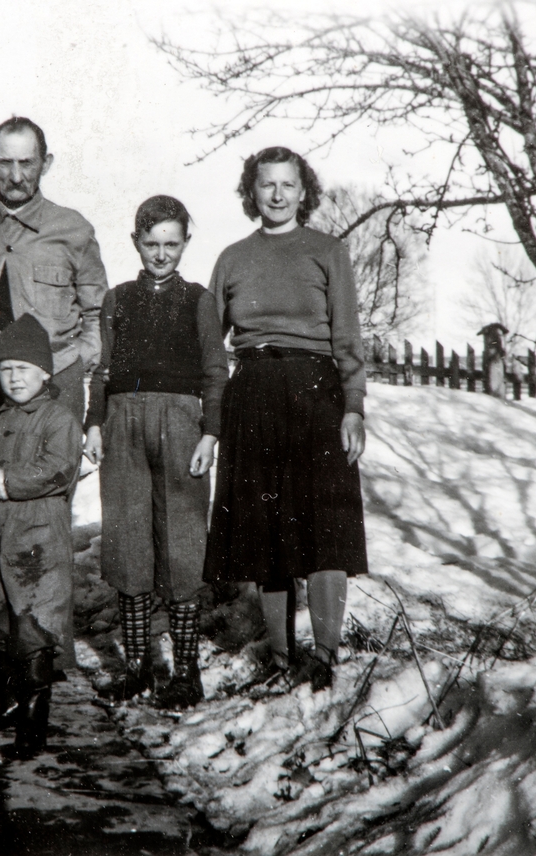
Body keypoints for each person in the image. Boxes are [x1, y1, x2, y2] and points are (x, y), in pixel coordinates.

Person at [0, 116, 108, 693]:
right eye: (4, 162)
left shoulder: (72, 229)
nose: (15, 174)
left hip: (49, 387)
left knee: (42, 519)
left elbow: (98, 316)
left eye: (26, 162)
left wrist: (76, 371)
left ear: (46, 163)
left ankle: (43, 656)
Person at [204, 146, 368, 693]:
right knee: (265, 531)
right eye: (266, 185)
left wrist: (354, 408)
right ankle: (278, 657)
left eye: (288, 185)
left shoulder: (328, 251)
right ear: (252, 191)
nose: (277, 195)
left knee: (325, 530)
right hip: (251, 392)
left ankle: (322, 658)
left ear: (304, 192)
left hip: (317, 394)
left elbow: (347, 339)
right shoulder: (232, 258)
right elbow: (210, 343)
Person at [84, 195, 228, 708]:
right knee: (127, 543)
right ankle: (139, 667)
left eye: (171, 243)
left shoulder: (199, 301)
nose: (161, 253)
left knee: (182, 543)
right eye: (151, 243)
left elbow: (216, 372)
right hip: (123, 422)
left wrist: (210, 433)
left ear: (185, 243)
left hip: (180, 424)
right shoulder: (117, 299)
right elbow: (101, 371)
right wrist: (94, 423)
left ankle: (187, 673)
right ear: (135, 243)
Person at [0, 314, 84, 758]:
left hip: (37, 545)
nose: (14, 378)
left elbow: (57, 470)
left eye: (24, 369)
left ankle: (31, 734)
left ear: (45, 372)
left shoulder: (58, 419)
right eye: (6, 369)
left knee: (33, 634)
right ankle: (9, 704)